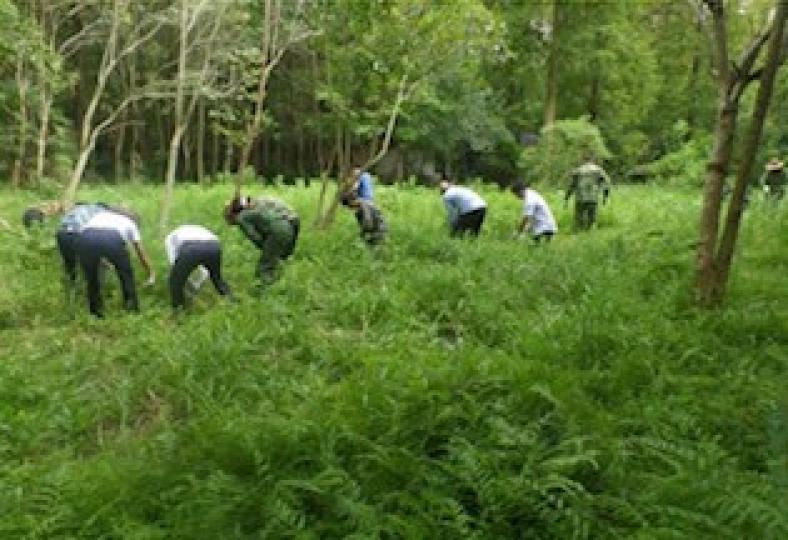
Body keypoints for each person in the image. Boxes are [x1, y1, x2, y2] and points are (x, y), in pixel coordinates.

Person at [76, 209, 155, 317]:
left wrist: (106, 262)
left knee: (92, 279)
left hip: (85, 237)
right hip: (111, 237)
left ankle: (96, 313)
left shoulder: (101, 215)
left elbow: (94, 240)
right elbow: (140, 251)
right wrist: (150, 272)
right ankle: (132, 310)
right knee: (126, 275)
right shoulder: (130, 223)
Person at [224, 194, 300, 284]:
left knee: (264, 268)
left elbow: (254, 236)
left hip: (277, 231)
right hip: (290, 226)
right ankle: (283, 279)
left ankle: (268, 287)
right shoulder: (264, 202)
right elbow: (294, 218)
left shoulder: (242, 217)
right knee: (282, 257)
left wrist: (265, 248)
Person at [165, 225, 231, 309]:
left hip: (192, 248)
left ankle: (179, 309)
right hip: (214, 246)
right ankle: (231, 300)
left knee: (174, 281)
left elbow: (174, 264)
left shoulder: (169, 239)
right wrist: (198, 282)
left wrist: (190, 283)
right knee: (217, 278)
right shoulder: (192, 229)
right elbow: (203, 267)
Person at [56, 202, 108, 286]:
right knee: (94, 263)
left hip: (61, 233)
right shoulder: (102, 212)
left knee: (69, 263)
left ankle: (71, 285)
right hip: (78, 233)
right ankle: (97, 287)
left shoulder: (78, 209)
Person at [565, 158, 611, 231]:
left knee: (579, 220)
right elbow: (607, 184)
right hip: (593, 197)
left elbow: (571, 185)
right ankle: (590, 235)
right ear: (594, 162)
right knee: (592, 220)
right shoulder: (598, 170)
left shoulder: (578, 170)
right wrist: (605, 197)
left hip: (580, 198)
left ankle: (578, 235)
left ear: (583, 162)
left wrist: (567, 197)